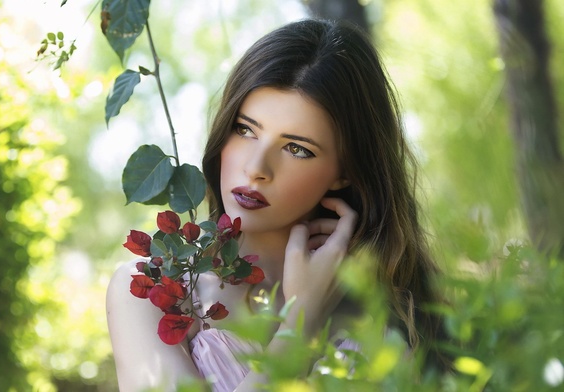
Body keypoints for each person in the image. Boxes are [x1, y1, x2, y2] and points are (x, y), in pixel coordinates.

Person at [107, 19, 448, 391]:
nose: (256, 168)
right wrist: (302, 323)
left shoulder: (395, 315)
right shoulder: (152, 292)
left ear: (345, 171)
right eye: (245, 129)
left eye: (296, 148)